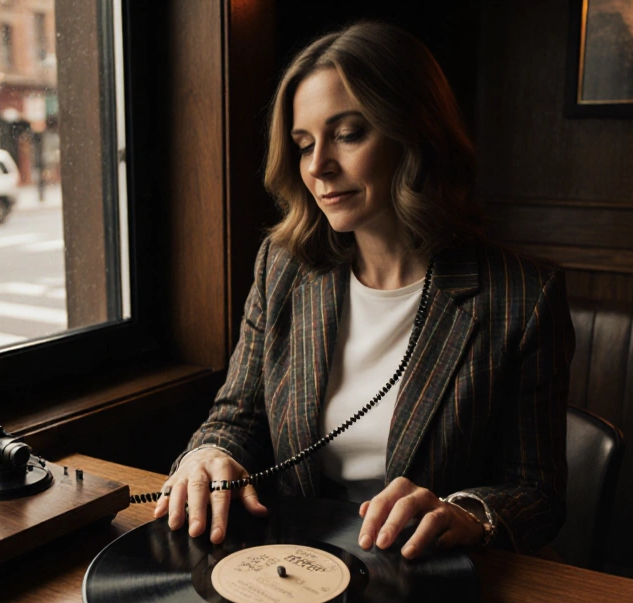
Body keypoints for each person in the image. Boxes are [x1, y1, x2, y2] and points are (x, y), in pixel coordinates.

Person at [153, 21, 574, 559]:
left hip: (424, 579)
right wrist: (208, 453)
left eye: (348, 134)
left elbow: (536, 490)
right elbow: (238, 415)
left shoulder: (525, 296)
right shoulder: (282, 267)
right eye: (303, 144)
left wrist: (467, 513)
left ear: (414, 133)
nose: (318, 166)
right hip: (290, 567)